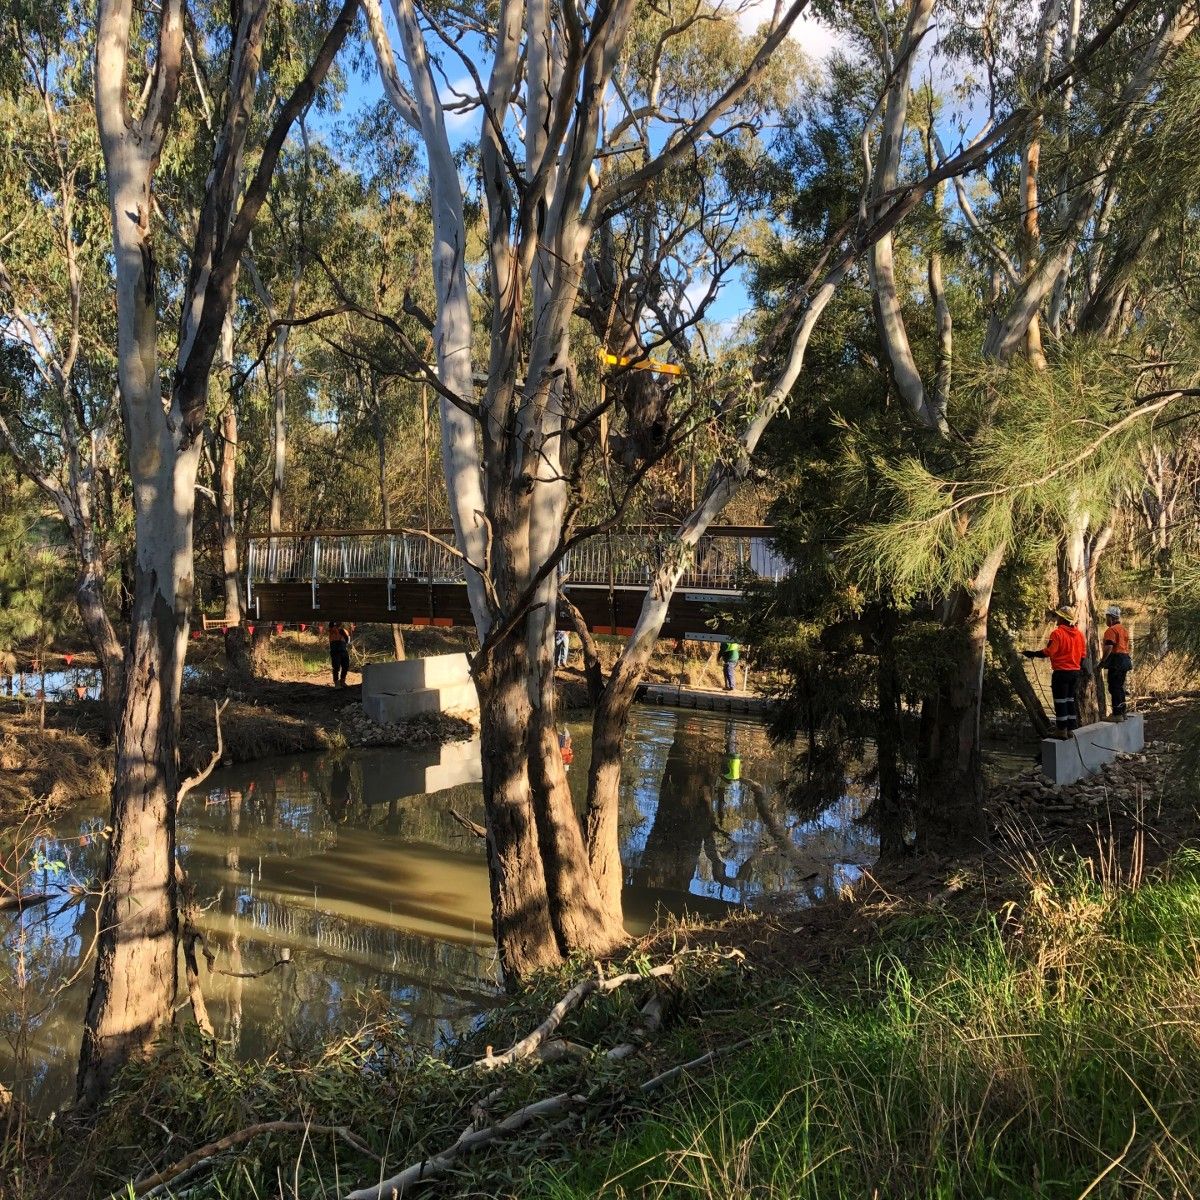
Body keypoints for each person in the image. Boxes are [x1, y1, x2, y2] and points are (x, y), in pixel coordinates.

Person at [1023, 605, 1087, 737]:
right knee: (1070, 700)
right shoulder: (1080, 635)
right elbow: (1083, 655)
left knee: (1060, 701)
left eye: (1058, 616)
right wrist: (1075, 667)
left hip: (1061, 673)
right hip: (1075, 673)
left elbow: (1050, 651)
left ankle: (1061, 730)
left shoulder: (1057, 633)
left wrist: (1033, 653)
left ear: (1062, 619)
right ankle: (1071, 729)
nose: (1056, 618)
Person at [1099, 604, 1133, 721]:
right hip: (1125, 660)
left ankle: (1117, 714)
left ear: (1112, 618)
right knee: (1119, 687)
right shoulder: (1124, 629)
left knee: (1114, 687)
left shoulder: (1111, 630)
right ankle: (1123, 712)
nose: (1106, 620)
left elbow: (1109, 647)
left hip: (1117, 661)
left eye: (1107, 617)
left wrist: (1102, 661)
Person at [328, 620, 352, 687]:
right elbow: (331, 624)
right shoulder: (332, 629)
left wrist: (344, 634)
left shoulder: (345, 631)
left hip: (343, 650)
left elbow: (348, 641)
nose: (339, 623)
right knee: (336, 667)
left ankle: (342, 681)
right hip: (335, 651)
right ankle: (336, 683)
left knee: (346, 666)